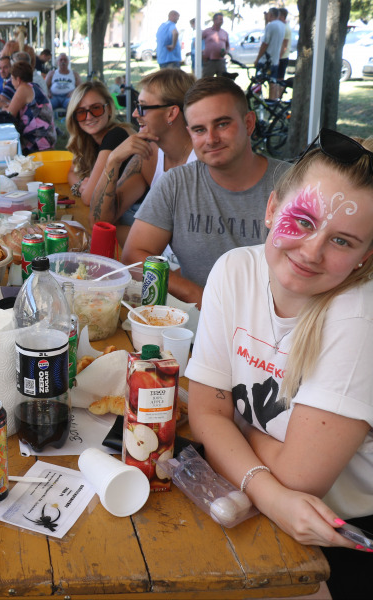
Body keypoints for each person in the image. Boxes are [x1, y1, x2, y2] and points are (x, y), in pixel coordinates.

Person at [187, 129, 373, 599]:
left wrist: (229, 421)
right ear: (272, 209)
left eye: (343, 241)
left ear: (364, 258)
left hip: (339, 534)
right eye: (304, 221)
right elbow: (205, 414)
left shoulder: (359, 316)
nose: (312, 251)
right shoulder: (235, 271)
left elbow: (300, 478)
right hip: (264, 506)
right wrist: (218, 419)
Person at [122, 76, 290, 307]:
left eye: (222, 124)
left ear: (249, 123)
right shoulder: (176, 183)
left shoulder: (293, 185)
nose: (211, 139)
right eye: (200, 130)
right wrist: (198, 295)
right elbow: (134, 256)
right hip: (195, 324)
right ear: (190, 133)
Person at [89, 69, 196, 244]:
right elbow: (99, 223)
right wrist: (113, 161)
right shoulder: (149, 155)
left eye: (142, 107)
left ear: (171, 113)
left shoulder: (204, 160)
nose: (135, 114)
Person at [65, 80, 134, 205]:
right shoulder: (88, 141)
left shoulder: (116, 135)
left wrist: (85, 190)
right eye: (81, 112)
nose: (89, 117)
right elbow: (71, 173)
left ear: (109, 109)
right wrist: (81, 185)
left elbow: (90, 198)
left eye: (96, 108)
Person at [5, 60, 57, 154]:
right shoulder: (34, 87)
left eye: (12, 78)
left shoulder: (23, 88)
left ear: (18, 80)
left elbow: (9, 114)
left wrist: (3, 109)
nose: (11, 82)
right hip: (48, 139)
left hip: (37, 143)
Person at [255, 7, 285, 100]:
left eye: (268, 14)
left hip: (266, 60)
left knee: (259, 80)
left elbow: (265, 43)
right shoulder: (282, 25)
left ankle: (258, 100)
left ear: (271, 15)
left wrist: (258, 58)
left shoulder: (271, 25)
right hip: (275, 60)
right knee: (273, 82)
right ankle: (272, 100)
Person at [202, 13, 230, 77]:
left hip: (221, 61)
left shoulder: (224, 33)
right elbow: (197, 42)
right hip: (209, 61)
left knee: (222, 81)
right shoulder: (207, 31)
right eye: (220, 19)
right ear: (214, 20)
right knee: (207, 80)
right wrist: (202, 52)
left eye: (222, 19)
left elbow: (227, 45)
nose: (222, 21)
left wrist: (226, 51)